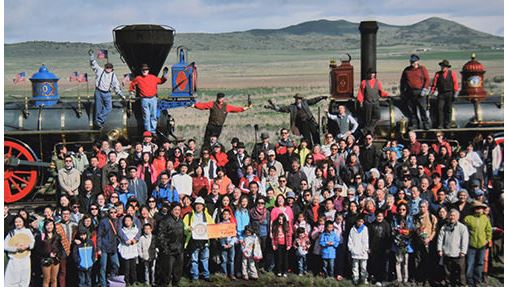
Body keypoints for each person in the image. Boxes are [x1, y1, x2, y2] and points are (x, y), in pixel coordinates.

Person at [88, 49, 124, 129]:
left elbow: (116, 85)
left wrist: (120, 94)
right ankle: (97, 122)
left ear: (112, 69)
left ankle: (100, 119)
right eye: (107, 67)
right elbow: (93, 64)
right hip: (98, 92)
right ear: (105, 67)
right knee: (98, 107)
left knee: (109, 107)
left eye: (110, 68)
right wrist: (91, 56)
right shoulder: (100, 71)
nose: (108, 69)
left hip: (107, 93)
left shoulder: (113, 75)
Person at [129, 63, 169, 133]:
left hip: (153, 99)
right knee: (146, 116)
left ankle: (153, 131)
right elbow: (132, 85)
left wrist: (164, 76)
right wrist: (132, 93)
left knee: (153, 115)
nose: (145, 71)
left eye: (146, 70)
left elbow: (161, 81)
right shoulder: (138, 78)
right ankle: (148, 131)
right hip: (144, 99)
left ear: (148, 70)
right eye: (143, 70)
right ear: (141, 71)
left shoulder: (153, 77)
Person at [183, 196, 214, 281]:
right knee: (194, 260)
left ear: (203, 206)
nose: (198, 206)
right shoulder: (188, 216)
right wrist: (188, 229)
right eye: (197, 204)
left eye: (200, 205)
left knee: (205, 259)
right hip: (193, 241)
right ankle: (195, 277)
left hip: (205, 241)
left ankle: (206, 276)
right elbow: (184, 227)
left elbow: (212, 227)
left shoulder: (208, 217)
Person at [437, 209, 469, 286]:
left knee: (460, 272)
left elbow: (465, 240)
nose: (452, 217)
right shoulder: (444, 227)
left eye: (454, 215)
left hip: (458, 254)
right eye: (451, 215)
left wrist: (463, 251)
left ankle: (462, 285)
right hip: (447, 253)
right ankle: (449, 284)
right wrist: (439, 249)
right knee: (447, 272)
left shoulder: (462, 227)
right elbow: (440, 238)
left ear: (458, 217)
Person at [464, 201, 492, 286]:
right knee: (470, 263)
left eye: (481, 208)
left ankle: (477, 280)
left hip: (482, 245)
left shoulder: (485, 218)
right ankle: (470, 281)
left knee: (480, 263)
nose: (479, 210)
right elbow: (465, 231)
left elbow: (489, 230)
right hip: (471, 245)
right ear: (474, 209)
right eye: (477, 208)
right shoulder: (468, 218)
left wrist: (487, 240)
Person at [400, 54, 431, 130]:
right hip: (410, 93)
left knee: (422, 109)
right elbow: (402, 82)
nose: (413, 63)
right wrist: (402, 92)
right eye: (411, 62)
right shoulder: (407, 70)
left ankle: (425, 124)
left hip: (420, 92)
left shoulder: (422, 69)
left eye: (414, 61)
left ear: (418, 61)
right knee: (412, 110)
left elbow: (427, 79)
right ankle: (415, 124)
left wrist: (424, 89)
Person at [156, 203, 184, 286]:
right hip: (169, 251)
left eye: (179, 210)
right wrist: (165, 249)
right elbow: (160, 236)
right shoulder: (165, 220)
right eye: (175, 209)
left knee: (177, 271)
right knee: (166, 272)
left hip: (179, 250)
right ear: (171, 210)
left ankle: (176, 284)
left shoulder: (180, 220)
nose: (177, 212)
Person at [4, 216, 35, 287]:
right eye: (16, 222)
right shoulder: (11, 233)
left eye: (20, 221)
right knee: (12, 279)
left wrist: (27, 246)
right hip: (14, 260)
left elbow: (32, 242)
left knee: (24, 279)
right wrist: (16, 248)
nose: (18, 223)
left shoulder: (27, 231)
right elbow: (4, 245)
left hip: (25, 259)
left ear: (23, 222)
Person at [357, 68, 390, 134]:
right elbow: (361, 93)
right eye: (370, 73)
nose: (372, 75)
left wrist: (387, 95)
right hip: (367, 102)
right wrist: (360, 101)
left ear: (374, 74)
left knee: (377, 116)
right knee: (367, 119)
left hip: (376, 102)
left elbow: (381, 92)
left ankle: (367, 129)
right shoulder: (364, 82)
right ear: (368, 74)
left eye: (373, 73)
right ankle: (369, 132)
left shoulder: (378, 82)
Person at [35, 219, 64, 287]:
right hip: (45, 259)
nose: (49, 226)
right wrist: (48, 254)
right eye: (47, 225)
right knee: (46, 279)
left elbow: (60, 248)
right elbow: (38, 249)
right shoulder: (41, 236)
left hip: (56, 260)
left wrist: (58, 255)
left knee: (54, 279)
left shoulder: (57, 236)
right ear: (44, 226)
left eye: (51, 224)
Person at [97, 206, 120, 287]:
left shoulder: (118, 221)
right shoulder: (103, 221)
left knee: (116, 265)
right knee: (103, 267)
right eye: (111, 212)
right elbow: (99, 235)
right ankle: (103, 284)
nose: (113, 214)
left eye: (115, 212)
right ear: (108, 213)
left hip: (113, 247)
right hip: (104, 247)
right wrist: (98, 248)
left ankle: (111, 281)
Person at [117, 215, 139, 286]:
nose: (127, 222)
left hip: (133, 251)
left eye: (129, 220)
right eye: (125, 220)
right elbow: (120, 239)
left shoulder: (136, 230)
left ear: (132, 221)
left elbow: (137, 239)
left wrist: (134, 241)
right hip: (125, 251)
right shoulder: (122, 230)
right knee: (126, 268)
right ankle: (126, 282)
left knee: (133, 268)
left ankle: (134, 281)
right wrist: (126, 241)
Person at [348, 215, 369, 285]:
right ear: (356, 221)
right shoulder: (352, 229)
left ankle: (364, 279)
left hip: (363, 252)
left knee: (363, 267)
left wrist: (364, 249)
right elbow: (350, 240)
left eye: (362, 221)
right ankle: (355, 279)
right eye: (359, 221)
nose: (360, 223)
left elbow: (366, 240)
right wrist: (351, 249)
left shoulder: (365, 229)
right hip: (354, 252)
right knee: (355, 266)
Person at [218, 209, 237, 279]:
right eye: (224, 214)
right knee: (224, 260)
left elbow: (235, 235)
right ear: (222, 216)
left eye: (227, 214)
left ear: (229, 216)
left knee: (231, 259)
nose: (225, 215)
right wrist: (223, 244)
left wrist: (231, 244)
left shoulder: (232, 224)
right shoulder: (220, 224)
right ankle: (224, 274)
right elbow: (219, 236)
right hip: (223, 244)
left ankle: (231, 274)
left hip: (231, 243)